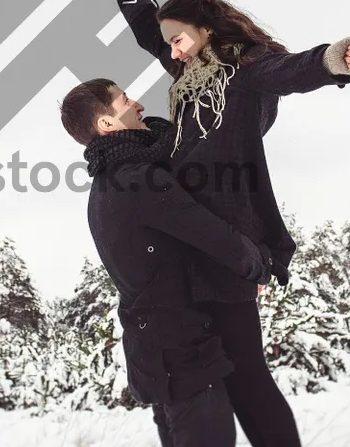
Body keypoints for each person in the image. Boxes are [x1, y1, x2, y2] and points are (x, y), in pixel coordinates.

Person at [102, 0, 350, 447]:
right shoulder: (189, 69)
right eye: (171, 45)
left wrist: (335, 61)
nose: (173, 52)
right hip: (191, 239)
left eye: (179, 39)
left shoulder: (244, 71)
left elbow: (291, 71)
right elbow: (146, 30)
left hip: (225, 242)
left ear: (205, 28)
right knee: (211, 377)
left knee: (247, 377)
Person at [60, 78, 275, 447]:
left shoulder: (106, 186)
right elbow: (216, 237)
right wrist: (258, 265)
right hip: (183, 356)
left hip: (160, 356)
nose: (139, 105)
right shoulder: (138, 181)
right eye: (125, 101)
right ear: (107, 125)